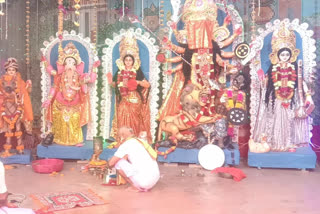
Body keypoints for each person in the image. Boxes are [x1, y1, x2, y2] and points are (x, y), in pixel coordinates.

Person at [254, 23, 314, 151]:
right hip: (277, 97)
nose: (285, 57)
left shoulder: (295, 68)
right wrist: (263, 80)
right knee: (276, 119)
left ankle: (289, 142)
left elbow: (300, 81)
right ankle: (276, 142)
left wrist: (307, 92)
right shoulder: (273, 68)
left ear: (291, 55)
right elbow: (268, 83)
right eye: (282, 55)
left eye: (287, 55)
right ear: (278, 55)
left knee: (289, 120)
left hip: (290, 98)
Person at [41, 42, 98, 146]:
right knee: (59, 119)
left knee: (75, 120)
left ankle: (76, 140)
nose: (70, 65)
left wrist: (94, 67)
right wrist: (49, 99)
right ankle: (58, 138)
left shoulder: (80, 76)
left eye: (72, 62)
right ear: (64, 65)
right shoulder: (60, 75)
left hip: (75, 103)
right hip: (60, 102)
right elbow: (52, 79)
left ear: (76, 65)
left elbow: (91, 79)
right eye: (67, 62)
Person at [107, 33, 151, 142]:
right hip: (123, 97)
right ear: (123, 61)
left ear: (133, 61)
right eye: (126, 60)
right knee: (122, 113)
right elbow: (115, 84)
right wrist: (110, 81)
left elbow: (147, 84)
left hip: (134, 98)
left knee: (134, 118)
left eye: (130, 60)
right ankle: (123, 138)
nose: (128, 62)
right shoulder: (120, 71)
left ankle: (134, 137)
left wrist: (137, 82)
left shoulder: (137, 71)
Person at [108, 127, 160, 192]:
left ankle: (135, 187)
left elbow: (111, 163)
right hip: (155, 179)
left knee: (118, 163)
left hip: (144, 182)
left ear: (122, 136)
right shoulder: (141, 141)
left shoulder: (126, 144)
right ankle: (143, 184)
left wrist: (108, 166)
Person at [0, 58, 33, 156]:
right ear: (6, 71)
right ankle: (7, 148)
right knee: (8, 129)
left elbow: (24, 92)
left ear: (15, 71)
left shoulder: (19, 80)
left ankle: (20, 148)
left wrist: (28, 86)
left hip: (17, 105)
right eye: (9, 70)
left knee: (18, 128)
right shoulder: (2, 80)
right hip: (6, 106)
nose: (11, 72)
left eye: (13, 70)